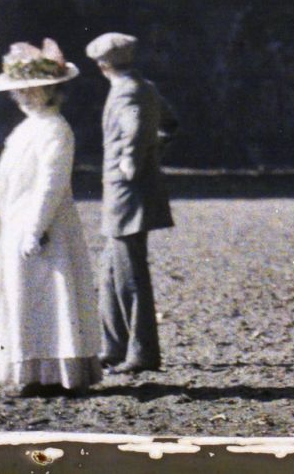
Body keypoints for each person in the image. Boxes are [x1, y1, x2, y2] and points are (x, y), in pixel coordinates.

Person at [0, 38, 103, 397]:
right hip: (17, 222)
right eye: (21, 91)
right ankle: (31, 369)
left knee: (47, 294)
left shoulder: (55, 129)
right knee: (22, 295)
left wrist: (36, 228)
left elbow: (51, 183)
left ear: (50, 90)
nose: (25, 97)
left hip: (45, 225)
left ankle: (55, 372)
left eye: (33, 90)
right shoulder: (26, 129)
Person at [86, 31, 178, 373]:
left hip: (126, 194)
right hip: (130, 192)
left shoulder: (126, 92)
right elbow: (170, 125)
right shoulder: (145, 87)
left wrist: (132, 162)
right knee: (111, 271)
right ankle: (114, 346)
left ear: (103, 64)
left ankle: (141, 354)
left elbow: (136, 129)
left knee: (128, 277)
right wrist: (152, 155)